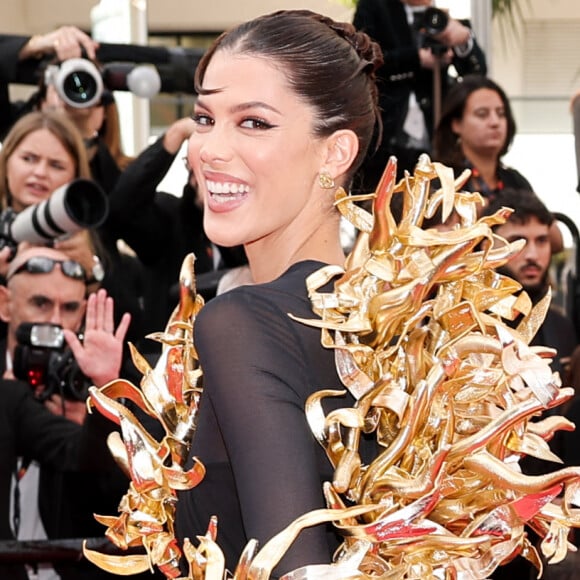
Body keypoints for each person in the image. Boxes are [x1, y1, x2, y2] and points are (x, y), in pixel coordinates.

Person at [164, 10, 384, 578]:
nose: (209, 148)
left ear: (335, 153)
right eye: (204, 118)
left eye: (254, 123)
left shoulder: (245, 322)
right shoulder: (403, 323)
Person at [0, 245, 129, 580]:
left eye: (69, 308)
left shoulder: (105, 385)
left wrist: (101, 399)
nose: (55, 322)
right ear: (4, 304)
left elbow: (110, 495)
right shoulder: (7, 395)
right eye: (40, 304)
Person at [483, 189, 578, 580]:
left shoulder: (559, 320)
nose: (533, 254)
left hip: (554, 506)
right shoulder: (471, 323)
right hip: (488, 514)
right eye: (519, 241)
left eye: (541, 240)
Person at [352, 0, 486, 190]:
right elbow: (363, 59)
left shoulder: (444, 17)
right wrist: (416, 59)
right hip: (386, 136)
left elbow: (476, 74)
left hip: (436, 136)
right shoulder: (375, 7)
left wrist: (463, 40)